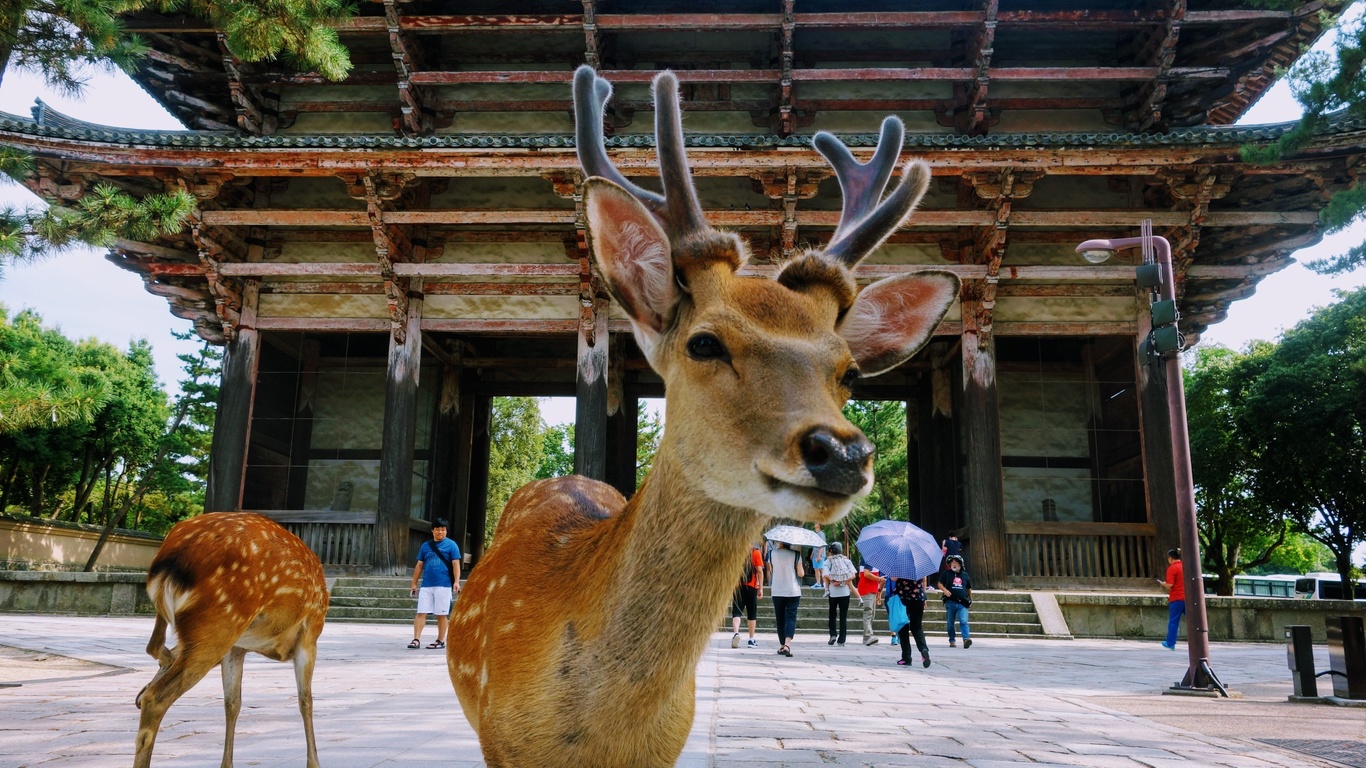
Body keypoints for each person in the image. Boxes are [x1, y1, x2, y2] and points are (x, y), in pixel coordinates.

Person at [409, 518, 461, 649]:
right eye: (437, 529)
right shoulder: (425, 546)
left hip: (443, 585)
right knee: (421, 612)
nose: (440, 532)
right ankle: (416, 640)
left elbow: (456, 564)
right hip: (427, 585)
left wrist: (456, 581)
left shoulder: (452, 545)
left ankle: (440, 640)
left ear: (446, 531)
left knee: (441, 614)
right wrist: (414, 584)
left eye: (443, 530)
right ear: (432, 530)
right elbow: (419, 565)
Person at [769, 540, 804, 657]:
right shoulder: (796, 554)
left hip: (777, 590)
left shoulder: (771, 553)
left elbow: (771, 569)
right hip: (792, 590)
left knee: (780, 618)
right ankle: (787, 645)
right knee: (791, 617)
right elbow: (801, 573)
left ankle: (781, 645)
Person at [730, 544, 765, 649]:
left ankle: (736, 633)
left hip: (738, 586)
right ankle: (751, 639)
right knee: (751, 613)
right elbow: (759, 571)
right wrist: (760, 588)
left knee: (736, 612)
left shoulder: (737, 551)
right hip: (752, 586)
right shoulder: (755, 552)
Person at [822, 542, 857, 646]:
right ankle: (841, 639)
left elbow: (826, 575)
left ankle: (833, 635)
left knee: (832, 614)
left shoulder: (828, 561)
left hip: (833, 592)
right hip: (845, 592)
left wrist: (834, 581)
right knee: (843, 616)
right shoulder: (846, 560)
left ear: (831, 551)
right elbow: (853, 575)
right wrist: (843, 582)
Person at [892, 575, 931, 667]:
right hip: (918, 597)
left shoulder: (899, 563)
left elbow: (893, 578)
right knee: (917, 627)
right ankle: (923, 649)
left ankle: (906, 657)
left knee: (903, 628)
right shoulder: (919, 563)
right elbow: (924, 579)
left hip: (902, 598)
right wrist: (923, 594)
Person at [939, 554, 972, 648]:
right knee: (950, 623)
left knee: (964, 621)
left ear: (960, 564)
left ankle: (966, 639)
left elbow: (969, 588)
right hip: (950, 601)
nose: (954, 564)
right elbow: (939, 583)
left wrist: (970, 600)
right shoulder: (946, 573)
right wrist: (945, 590)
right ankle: (952, 640)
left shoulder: (965, 575)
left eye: (956, 563)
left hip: (963, 602)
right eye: (952, 563)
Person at [1159, 548, 1185, 650]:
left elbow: (1170, 584)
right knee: (1193, 620)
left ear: (1170, 558)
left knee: (1174, 621)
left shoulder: (1172, 568)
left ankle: (1170, 643)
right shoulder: (1184, 566)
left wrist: (1163, 584)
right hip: (1187, 598)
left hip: (1176, 597)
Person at [855, 561, 885, 646]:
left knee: (872, 614)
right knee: (868, 612)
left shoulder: (872, 559)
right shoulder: (869, 559)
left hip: (872, 589)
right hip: (867, 589)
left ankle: (867, 637)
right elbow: (866, 574)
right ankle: (867, 637)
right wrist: (879, 579)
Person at [810, 523, 827, 596]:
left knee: (821, 569)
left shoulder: (821, 534)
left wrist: (819, 555)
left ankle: (825, 583)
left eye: (816, 523)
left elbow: (822, 545)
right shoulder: (815, 534)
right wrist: (812, 554)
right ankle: (818, 583)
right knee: (816, 569)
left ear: (819, 525)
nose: (815, 523)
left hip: (820, 555)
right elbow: (814, 545)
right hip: (815, 554)